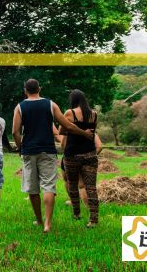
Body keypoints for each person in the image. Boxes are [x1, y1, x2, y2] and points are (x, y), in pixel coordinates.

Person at [12, 79, 93, 233]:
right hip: (48, 151)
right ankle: (48, 224)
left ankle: (39, 219)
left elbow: (15, 132)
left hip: (29, 151)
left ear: (25, 90)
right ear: (39, 89)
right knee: (48, 186)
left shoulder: (19, 107)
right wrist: (84, 133)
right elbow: (67, 125)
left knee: (33, 188)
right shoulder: (51, 104)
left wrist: (20, 147)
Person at [61, 89, 101, 228]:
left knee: (72, 184)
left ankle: (77, 213)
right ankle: (94, 220)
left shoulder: (69, 113)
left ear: (73, 100)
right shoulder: (94, 114)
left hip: (72, 154)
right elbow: (92, 133)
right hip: (90, 153)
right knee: (91, 187)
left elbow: (61, 131)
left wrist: (73, 129)